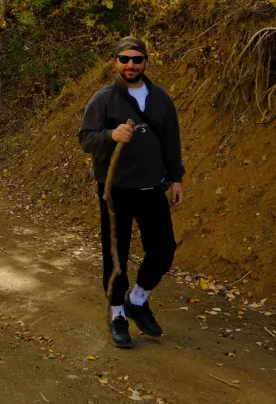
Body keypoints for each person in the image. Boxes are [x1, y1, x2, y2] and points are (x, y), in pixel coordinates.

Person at [78, 36, 184, 349]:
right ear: (116, 62)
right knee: (116, 255)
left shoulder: (161, 98)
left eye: (137, 59)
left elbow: (170, 141)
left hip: (152, 187)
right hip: (115, 191)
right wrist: (111, 134)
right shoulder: (104, 98)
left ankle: (137, 300)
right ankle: (117, 315)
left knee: (163, 249)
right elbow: (85, 138)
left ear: (145, 62)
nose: (131, 65)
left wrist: (175, 177)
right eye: (124, 59)